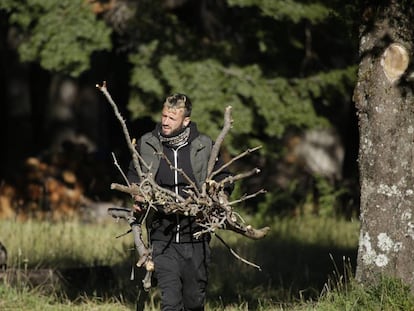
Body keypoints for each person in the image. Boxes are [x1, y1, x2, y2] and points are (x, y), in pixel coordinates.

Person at [127, 93, 233, 311]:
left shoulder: (203, 146)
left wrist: (219, 192)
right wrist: (137, 194)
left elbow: (224, 177)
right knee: (171, 302)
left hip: (196, 237)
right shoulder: (149, 143)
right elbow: (133, 176)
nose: (165, 121)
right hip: (162, 237)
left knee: (194, 302)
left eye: (172, 118)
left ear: (186, 121)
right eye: (164, 116)